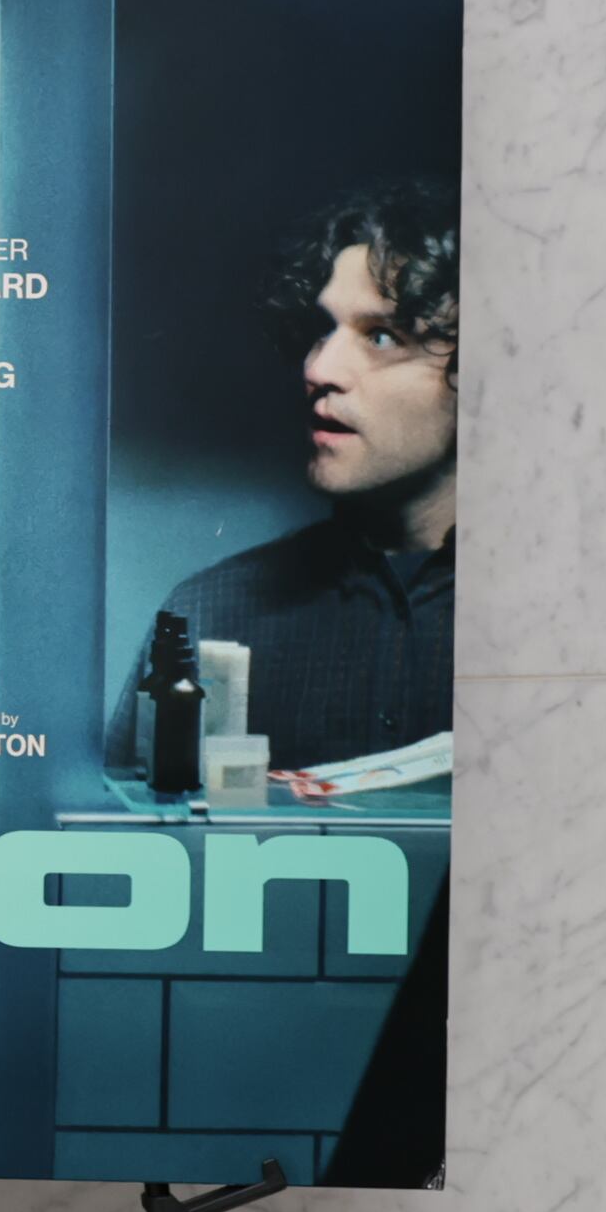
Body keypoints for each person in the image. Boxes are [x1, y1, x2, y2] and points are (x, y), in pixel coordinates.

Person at [152, 178, 458, 780]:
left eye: (382, 336)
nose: (319, 368)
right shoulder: (210, 612)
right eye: (324, 330)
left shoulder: (580, 624)